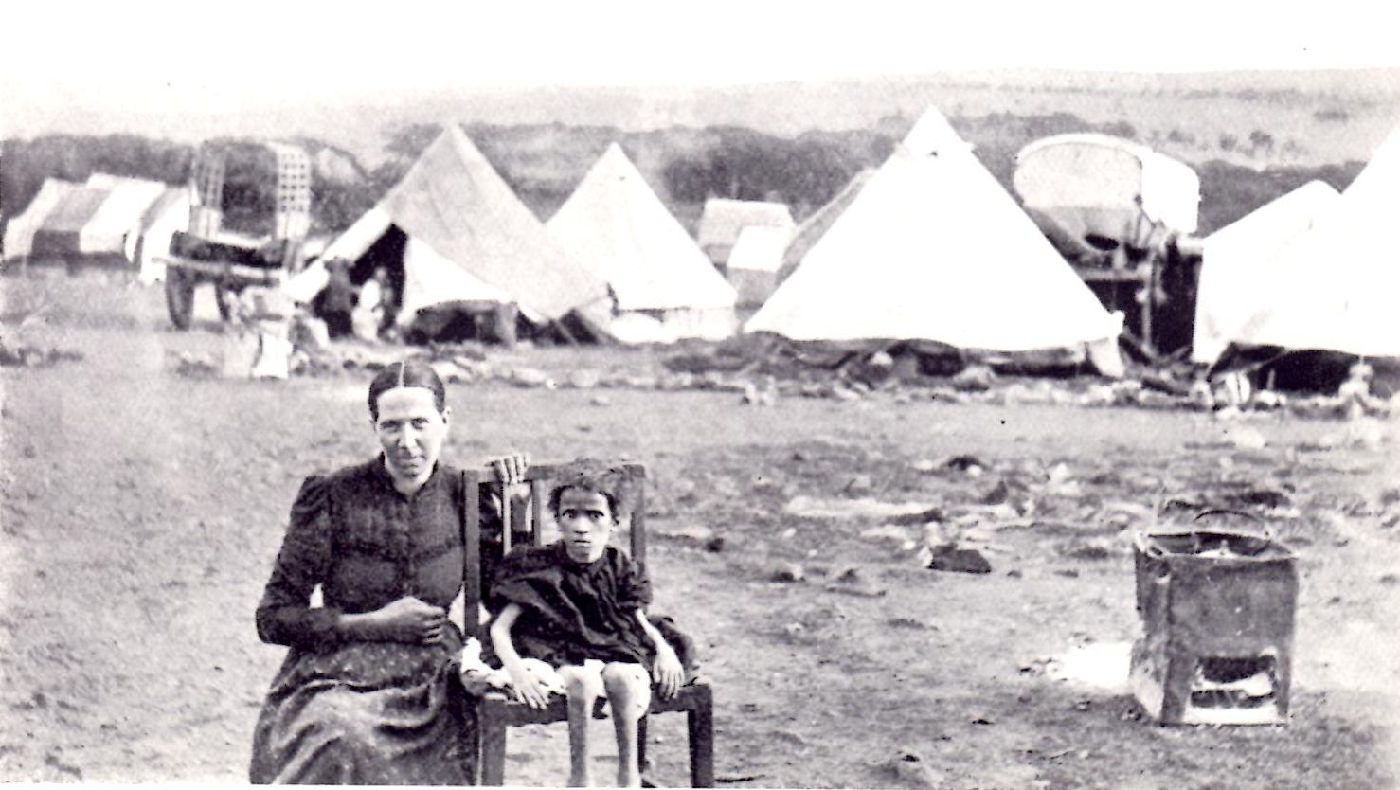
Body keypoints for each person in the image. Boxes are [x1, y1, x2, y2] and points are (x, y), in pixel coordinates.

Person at [249, 358, 529, 784]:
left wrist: (516, 510)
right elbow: (273, 617)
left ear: (445, 421)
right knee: (339, 735)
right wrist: (368, 623)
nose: (407, 441)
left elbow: (509, 597)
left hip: (432, 679)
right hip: (336, 672)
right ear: (374, 426)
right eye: (391, 426)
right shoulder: (333, 494)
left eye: (420, 423)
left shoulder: (465, 496)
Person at [487, 462, 687, 788]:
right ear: (558, 519)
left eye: (594, 516)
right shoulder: (539, 566)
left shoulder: (620, 567)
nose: (582, 527)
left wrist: (664, 650)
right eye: (570, 514)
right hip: (556, 651)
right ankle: (580, 776)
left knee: (621, 675)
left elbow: (635, 618)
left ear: (613, 523)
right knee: (578, 679)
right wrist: (517, 671)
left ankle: (629, 776)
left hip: (610, 644)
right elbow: (500, 628)